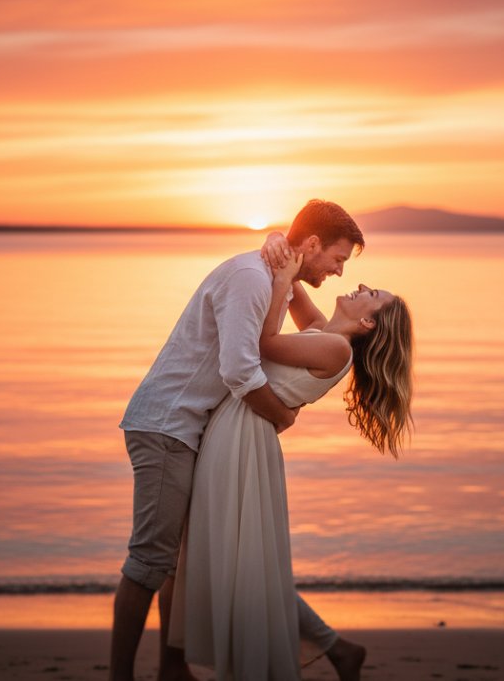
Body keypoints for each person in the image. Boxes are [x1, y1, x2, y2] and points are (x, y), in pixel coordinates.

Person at [110, 201, 366, 681]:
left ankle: (171, 667)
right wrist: (283, 417)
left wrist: (280, 261)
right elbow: (239, 368)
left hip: (191, 428)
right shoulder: (253, 278)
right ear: (311, 243)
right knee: (150, 560)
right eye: (338, 258)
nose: (338, 271)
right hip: (168, 425)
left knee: (174, 563)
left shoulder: (271, 281)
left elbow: (278, 340)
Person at [171, 248, 415, 680]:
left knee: (238, 556)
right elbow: (294, 269)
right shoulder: (323, 333)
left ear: (369, 323)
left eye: (370, 293)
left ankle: (313, 652)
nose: (359, 285)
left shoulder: (336, 350)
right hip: (241, 431)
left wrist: (281, 280)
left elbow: (260, 344)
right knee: (242, 556)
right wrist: (278, 241)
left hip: (242, 438)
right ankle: (337, 649)